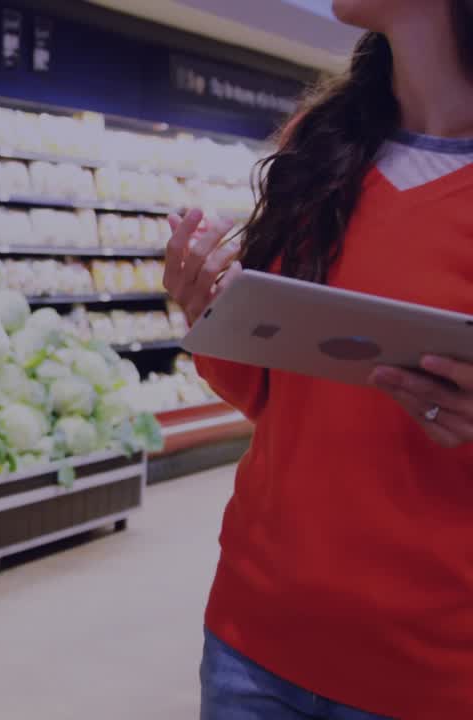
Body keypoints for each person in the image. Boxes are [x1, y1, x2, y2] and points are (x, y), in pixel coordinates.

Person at [164, 1, 473, 717]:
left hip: (428, 673)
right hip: (254, 643)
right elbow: (268, 395)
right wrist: (209, 313)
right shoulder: (320, 144)